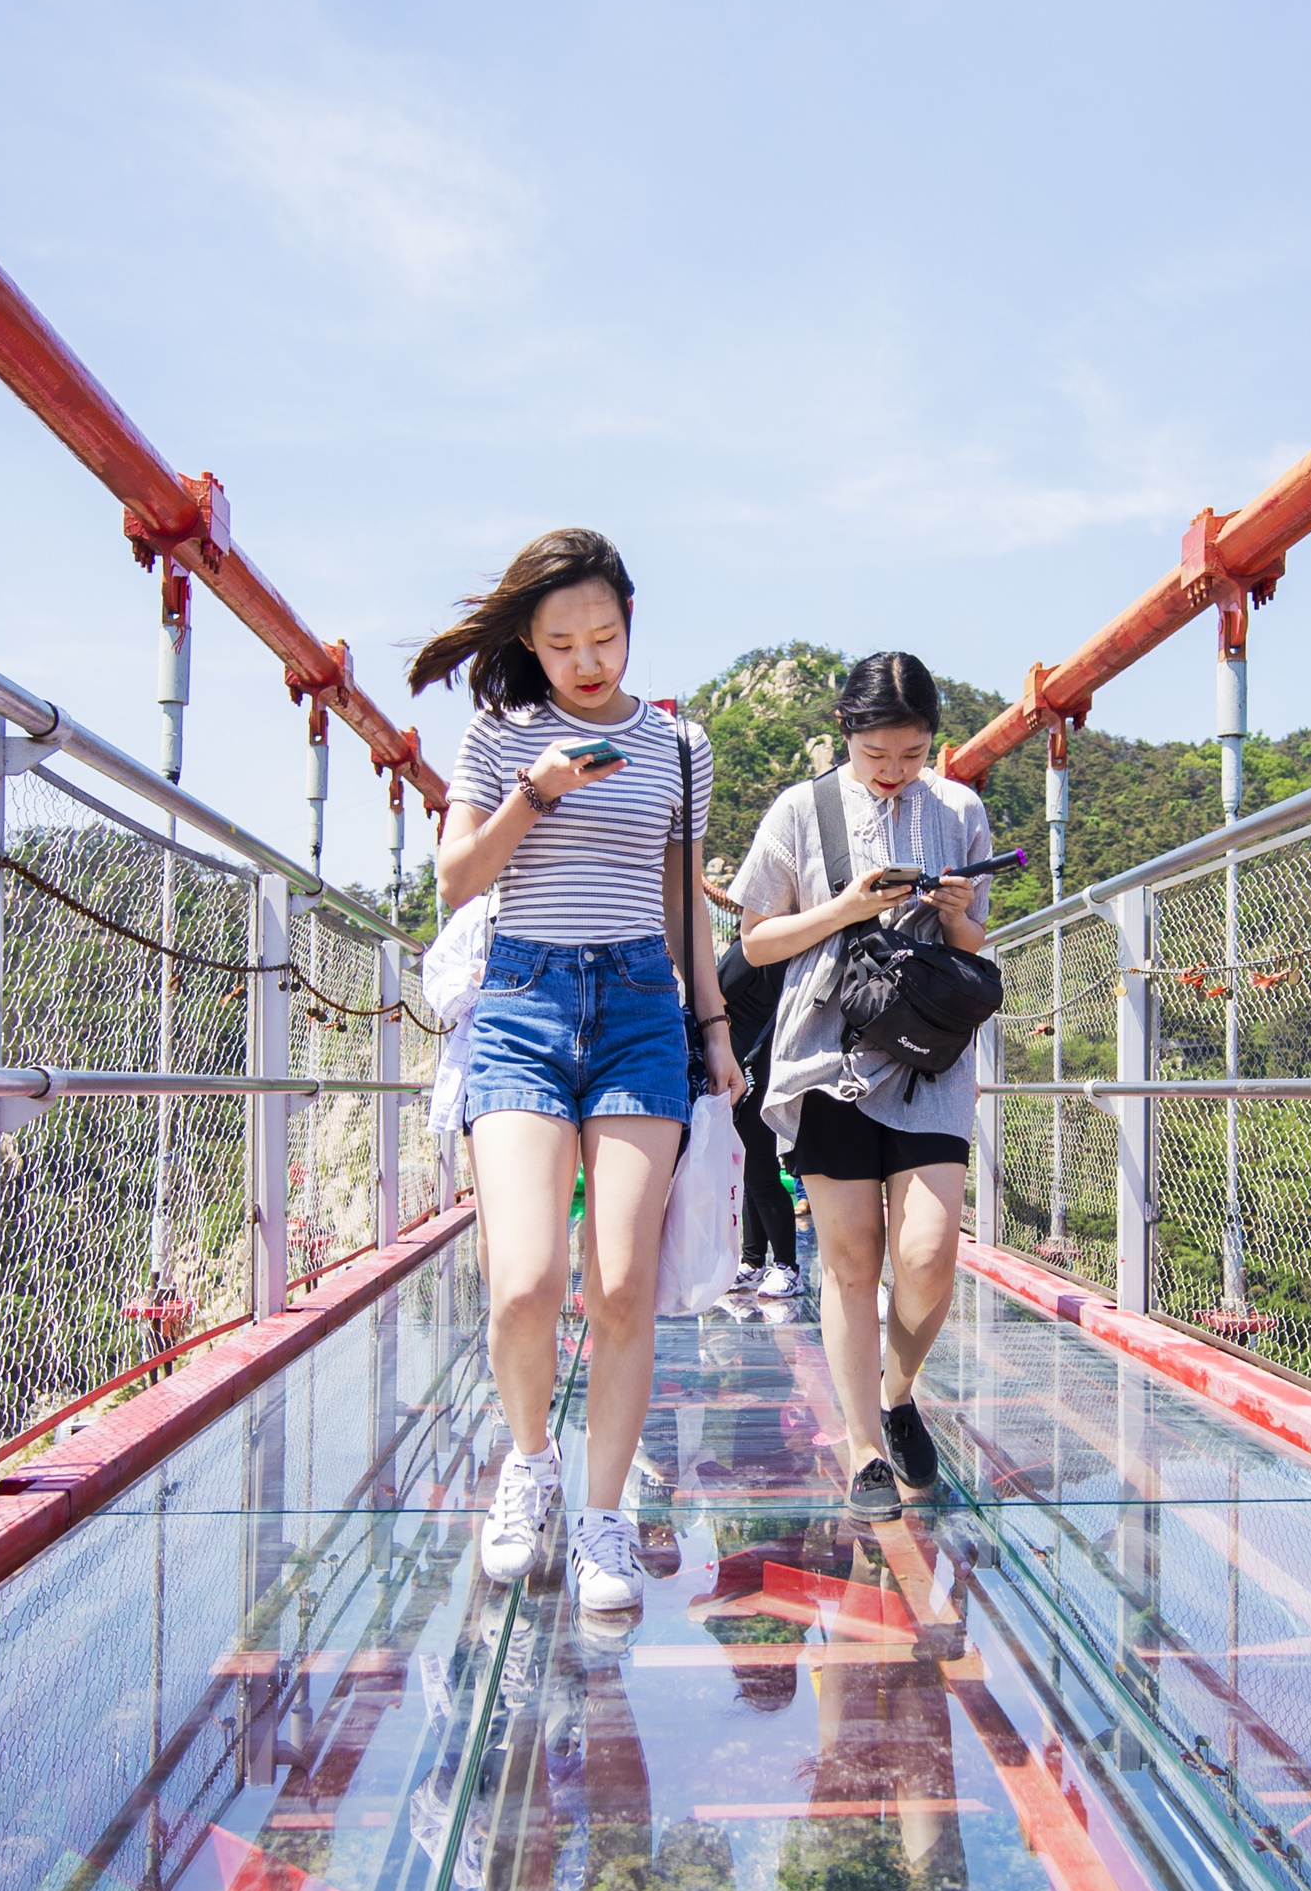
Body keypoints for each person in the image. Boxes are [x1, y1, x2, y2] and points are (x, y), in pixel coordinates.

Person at [415, 528, 741, 1613]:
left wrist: (716, 1030)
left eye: (605, 635)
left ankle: (604, 1517)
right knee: (525, 1282)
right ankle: (528, 1466)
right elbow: (459, 878)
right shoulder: (499, 733)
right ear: (531, 643)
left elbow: (684, 896)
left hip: (643, 1008)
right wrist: (534, 792)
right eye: (562, 643)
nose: (588, 659)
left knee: (620, 1283)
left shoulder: (679, 748)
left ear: (631, 627)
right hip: (523, 1003)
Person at [729, 652, 993, 1505]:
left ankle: (897, 1390)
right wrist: (845, 907)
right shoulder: (800, 811)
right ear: (847, 733)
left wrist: (957, 915)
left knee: (928, 1255)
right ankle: (863, 1450)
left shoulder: (959, 808)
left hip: (929, 1061)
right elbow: (756, 941)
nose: (894, 774)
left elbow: (976, 947)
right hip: (827, 1056)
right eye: (878, 756)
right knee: (850, 1262)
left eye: (913, 755)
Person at [712, 893, 799, 1300]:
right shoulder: (794, 954)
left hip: (744, 1074)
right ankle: (754, 1261)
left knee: (760, 1175)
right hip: (763, 1070)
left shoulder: (751, 951)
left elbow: (711, 995)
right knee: (753, 1174)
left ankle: (785, 1265)